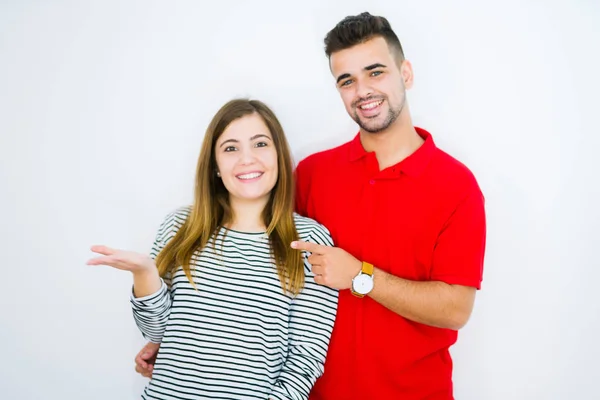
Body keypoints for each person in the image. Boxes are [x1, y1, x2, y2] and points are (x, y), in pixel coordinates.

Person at [135, 11, 487, 400]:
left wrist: (359, 276)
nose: (363, 90)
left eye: (375, 72)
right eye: (347, 81)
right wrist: (178, 345)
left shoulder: (456, 186)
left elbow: (456, 309)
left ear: (405, 73)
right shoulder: (314, 174)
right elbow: (259, 275)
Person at [88, 99, 338, 400]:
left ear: (279, 155)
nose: (246, 159)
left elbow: (305, 358)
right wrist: (145, 273)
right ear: (215, 166)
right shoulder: (180, 225)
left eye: (260, 144)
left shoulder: (309, 238)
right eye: (230, 148)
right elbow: (157, 334)